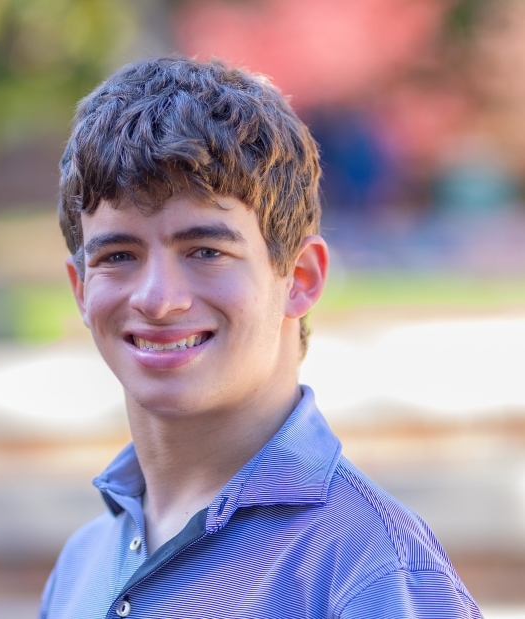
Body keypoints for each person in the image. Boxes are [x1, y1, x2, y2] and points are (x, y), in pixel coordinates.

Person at [39, 57, 481, 618]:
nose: (157, 298)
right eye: (119, 255)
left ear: (300, 279)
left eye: (206, 251)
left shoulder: (374, 575)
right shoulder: (81, 567)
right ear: (80, 289)